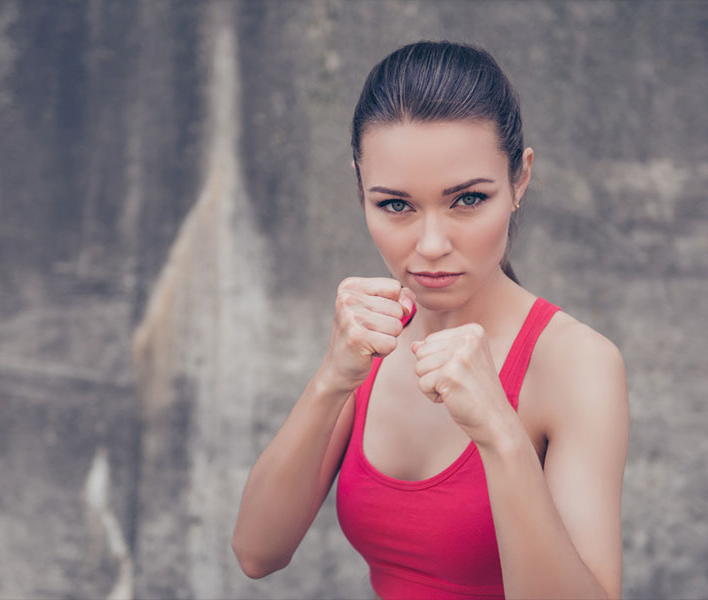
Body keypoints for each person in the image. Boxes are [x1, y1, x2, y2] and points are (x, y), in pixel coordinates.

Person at [232, 40, 629, 600]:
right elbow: (256, 552)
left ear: (519, 180)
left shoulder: (576, 362)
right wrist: (331, 378)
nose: (433, 244)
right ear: (361, 190)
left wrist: (500, 434)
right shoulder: (372, 338)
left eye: (467, 199)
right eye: (396, 205)